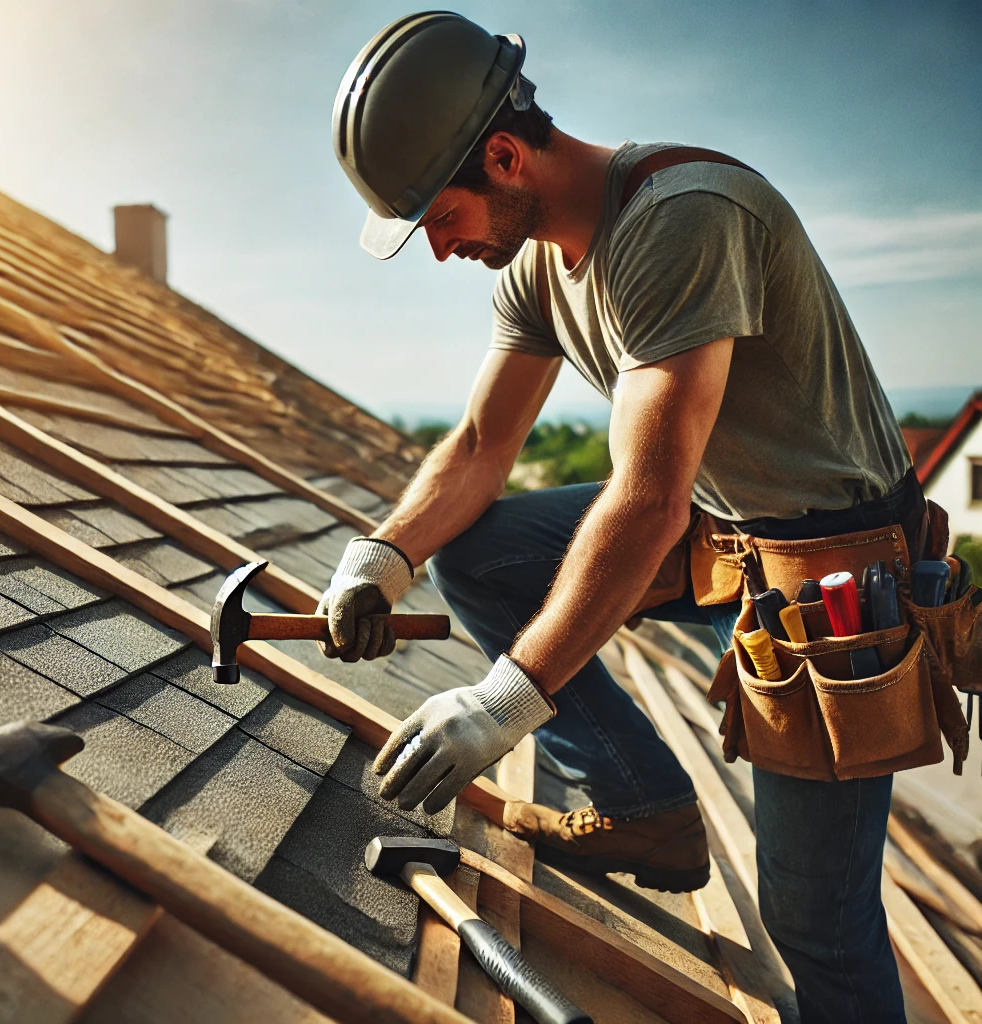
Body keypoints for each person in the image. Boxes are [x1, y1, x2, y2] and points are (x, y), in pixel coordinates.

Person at [321, 12, 918, 1021]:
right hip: (728, 539)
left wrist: (505, 700)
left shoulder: (681, 222)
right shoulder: (533, 269)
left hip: (838, 578)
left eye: (440, 217)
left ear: (504, 157)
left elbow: (644, 501)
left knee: (813, 916)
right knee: (481, 550)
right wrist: (383, 554)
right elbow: (477, 449)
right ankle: (646, 812)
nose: (438, 249)